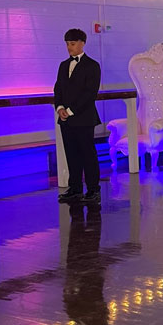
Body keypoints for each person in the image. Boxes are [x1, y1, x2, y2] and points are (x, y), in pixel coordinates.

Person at [53, 28, 102, 204]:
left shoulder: (92, 65)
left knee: (88, 154)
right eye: (67, 44)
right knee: (71, 154)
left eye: (72, 44)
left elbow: (90, 93)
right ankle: (75, 188)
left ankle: (93, 189)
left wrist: (70, 110)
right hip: (66, 119)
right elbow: (58, 89)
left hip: (84, 118)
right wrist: (60, 108)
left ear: (82, 43)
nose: (69, 47)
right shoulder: (63, 65)